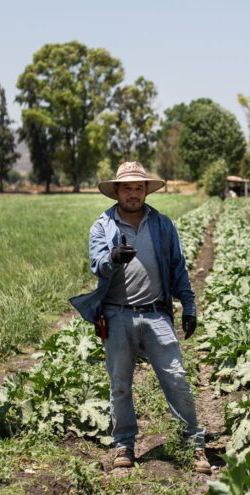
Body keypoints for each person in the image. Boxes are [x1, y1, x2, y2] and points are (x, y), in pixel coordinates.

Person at [70, 161, 210, 473]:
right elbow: (96, 264)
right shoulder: (102, 227)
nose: (134, 193)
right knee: (120, 383)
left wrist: (188, 306)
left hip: (156, 313)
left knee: (176, 378)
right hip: (117, 315)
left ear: (145, 190)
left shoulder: (162, 225)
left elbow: (177, 267)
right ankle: (124, 444)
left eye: (139, 187)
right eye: (127, 187)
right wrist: (112, 259)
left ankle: (193, 443)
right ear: (116, 191)